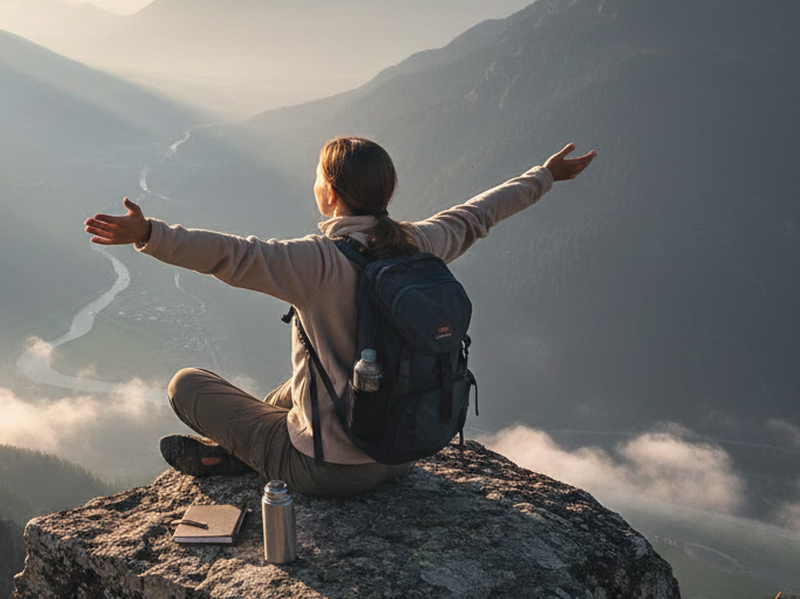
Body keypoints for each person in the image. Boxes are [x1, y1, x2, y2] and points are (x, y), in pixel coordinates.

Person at [84, 136, 595, 497]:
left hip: (329, 470)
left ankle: (233, 455)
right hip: (401, 455)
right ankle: (233, 451)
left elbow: (231, 255)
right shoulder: (421, 243)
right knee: (293, 388)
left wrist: (149, 234)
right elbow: (479, 214)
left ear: (330, 193)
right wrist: (545, 176)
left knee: (187, 384)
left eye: (317, 177)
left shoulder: (318, 263)